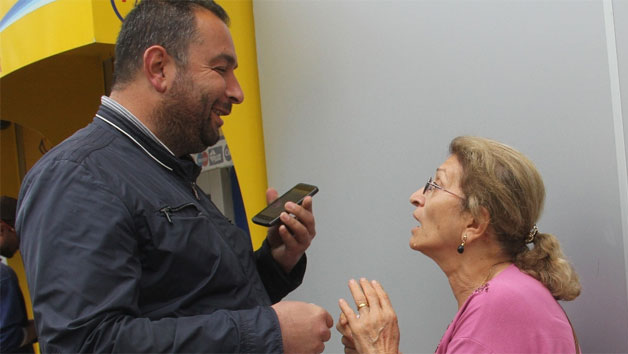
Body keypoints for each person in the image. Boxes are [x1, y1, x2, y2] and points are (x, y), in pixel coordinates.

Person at [16, 1, 332, 352]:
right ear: (159, 67)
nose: (237, 91)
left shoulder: (164, 167)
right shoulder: (78, 176)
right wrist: (268, 331)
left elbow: (200, 302)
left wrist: (276, 261)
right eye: (221, 69)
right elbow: (87, 344)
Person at [337, 136, 581, 353]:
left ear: (474, 223)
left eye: (435, 186)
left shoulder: (500, 305)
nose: (416, 197)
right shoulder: (505, 297)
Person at [0, 196, 37, 353]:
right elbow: (5, 339)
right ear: (3, 228)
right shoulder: (4, 276)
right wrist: (40, 327)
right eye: (19, 231)